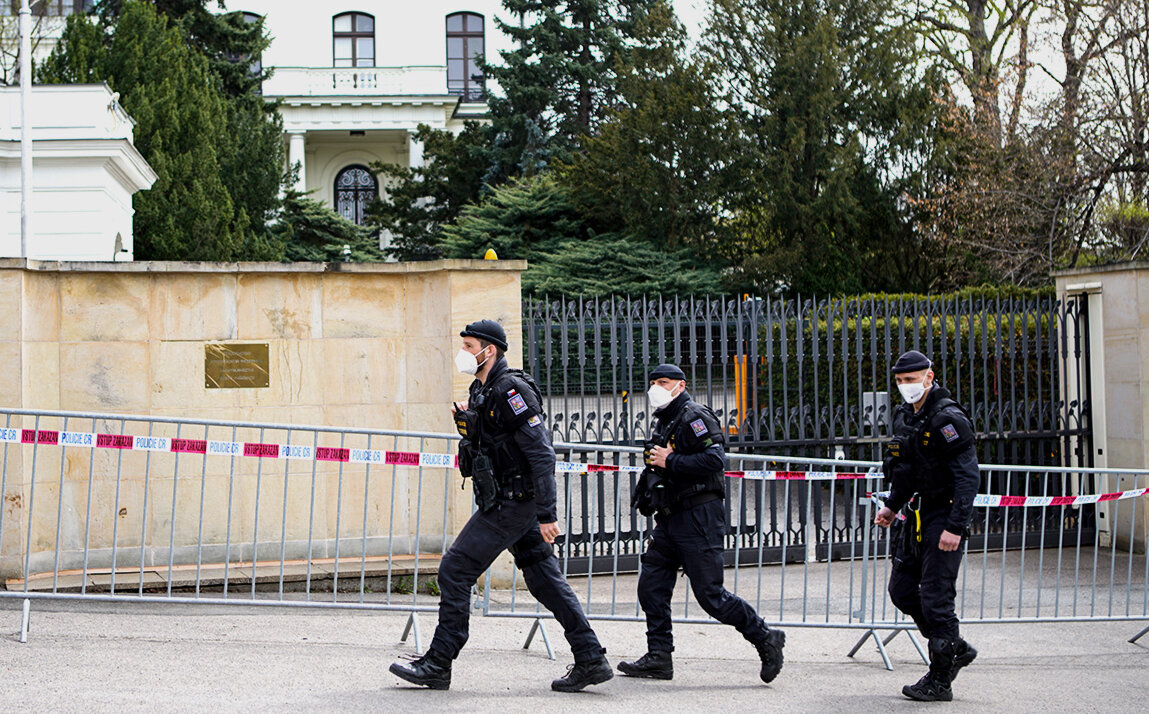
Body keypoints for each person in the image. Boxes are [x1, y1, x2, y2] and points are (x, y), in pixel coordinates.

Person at [389, 319, 612, 693]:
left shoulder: (510, 389)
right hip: (507, 499)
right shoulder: (483, 388)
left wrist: (547, 513)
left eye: (469, 345)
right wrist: (467, 423)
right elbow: (489, 446)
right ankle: (591, 658)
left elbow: (541, 453)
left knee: (455, 570)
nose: (463, 352)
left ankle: (438, 663)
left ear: (489, 350)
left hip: (514, 503)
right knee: (545, 581)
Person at [618, 363, 785, 684]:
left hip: (699, 516)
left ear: (680, 386)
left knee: (710, 595)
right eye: (652, 382)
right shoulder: (666, 419)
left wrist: (671, 460)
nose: (656, 387)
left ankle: (765, 637)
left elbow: (716, 460)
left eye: (663, 382)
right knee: (651, 586)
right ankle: (659, 657)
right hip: (670, 517)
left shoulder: (694, 416)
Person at [873, 350, 980, 702]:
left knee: (936, 599)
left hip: (944, 516)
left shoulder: (948, 419)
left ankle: (940, 679)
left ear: (929, 378)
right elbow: (906, 470)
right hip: (916, 513)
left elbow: (967, 478)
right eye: (900, 381)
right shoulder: (906, 416)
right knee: (902, 591)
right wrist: (891, 505)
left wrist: (955, 526)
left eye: (912, 379)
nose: (906, 386)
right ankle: (956, 648)